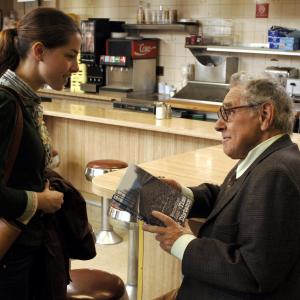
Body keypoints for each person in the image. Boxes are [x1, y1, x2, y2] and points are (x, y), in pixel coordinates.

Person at [143, 72, 300, 300]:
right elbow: (235, 197)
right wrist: (183, 196)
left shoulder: (276, 173)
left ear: (265, 115)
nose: (218, 125)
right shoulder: (268, 158)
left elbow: (254, 273)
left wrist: (182, 242)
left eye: (228, 112)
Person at [0, 7, 82, 300]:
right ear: (39, 51)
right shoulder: (6, 103)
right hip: (11, 253)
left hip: (28, 245)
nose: (75, 67)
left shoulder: (26, 99)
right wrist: (40, 200)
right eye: (70, 55)